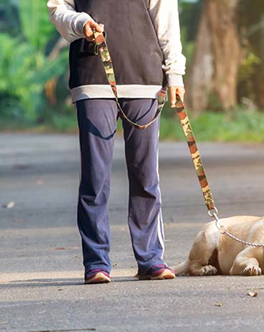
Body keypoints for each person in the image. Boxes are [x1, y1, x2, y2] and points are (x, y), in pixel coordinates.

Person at [47, 0, 186, 284]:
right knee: (95, 176)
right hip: (93, 77)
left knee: (145, 174)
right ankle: (97, 262)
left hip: (144, 77)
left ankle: (150, 258)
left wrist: (175, 73)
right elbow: (57, 10)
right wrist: (80, 23)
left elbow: (166, 19)